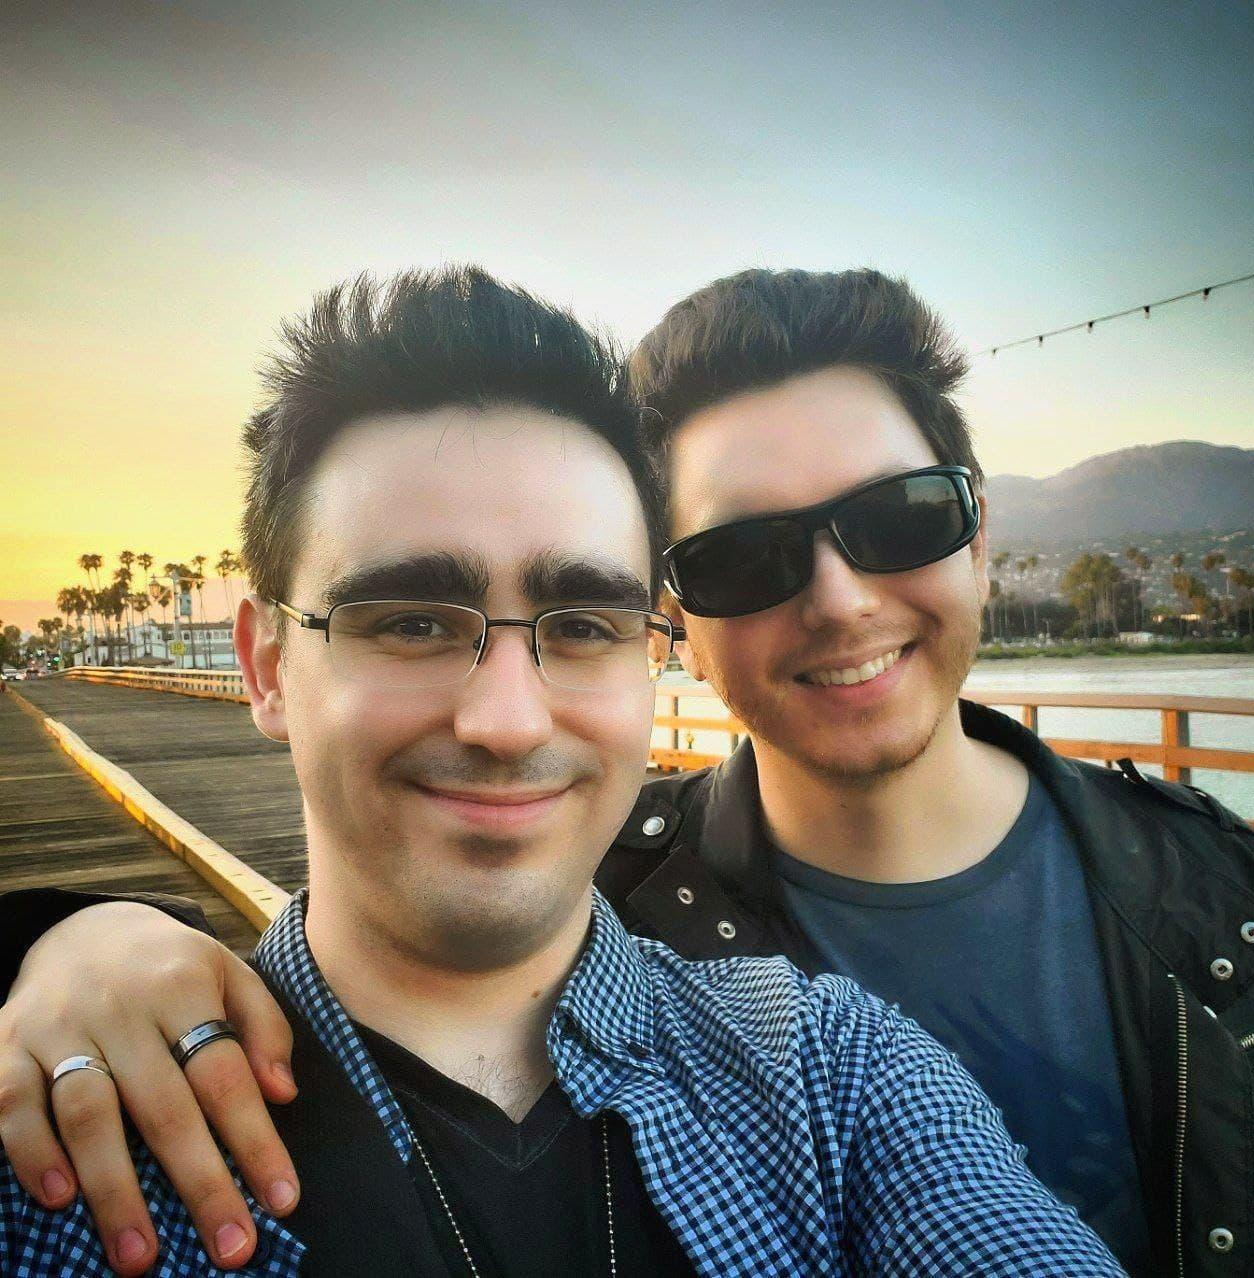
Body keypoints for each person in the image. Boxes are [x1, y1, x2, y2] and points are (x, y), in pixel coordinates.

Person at [0, 268, 1120, 1277]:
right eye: (410, 624)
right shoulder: (69, 1158)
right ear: (267, 665)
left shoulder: (838, 1079)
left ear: (649, 656)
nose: (503, 718)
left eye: (582, 623)